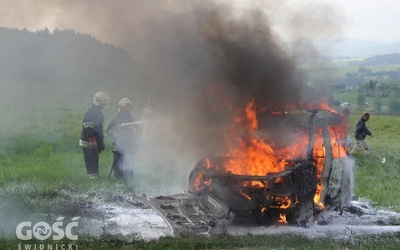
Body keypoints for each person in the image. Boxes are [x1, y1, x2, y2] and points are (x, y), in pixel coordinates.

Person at [79, 91, 110, 178]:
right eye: (104, 102)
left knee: (94, 161)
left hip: (93, 143)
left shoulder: (97, 112)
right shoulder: (91, 112)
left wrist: (100, 142)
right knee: (92, 163)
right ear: (98, 101)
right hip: (89, 143)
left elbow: (98, 129)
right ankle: (93, 180)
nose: (105, 104)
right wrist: (92, 141)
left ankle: (93, 178)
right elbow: (88, 126)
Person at [107, 98, 138, 180]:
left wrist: (131, 130)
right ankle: (119, 180)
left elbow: (138, 132)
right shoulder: (116, 120)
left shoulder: (133, 120)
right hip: (118, 147)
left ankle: (129, 181)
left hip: (129, 147)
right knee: (117, 165)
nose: (127, 109)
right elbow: (110, 132)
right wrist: (116, 133)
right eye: (125, 107)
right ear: (120, 108)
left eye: (129, 107)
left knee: (129, 165)